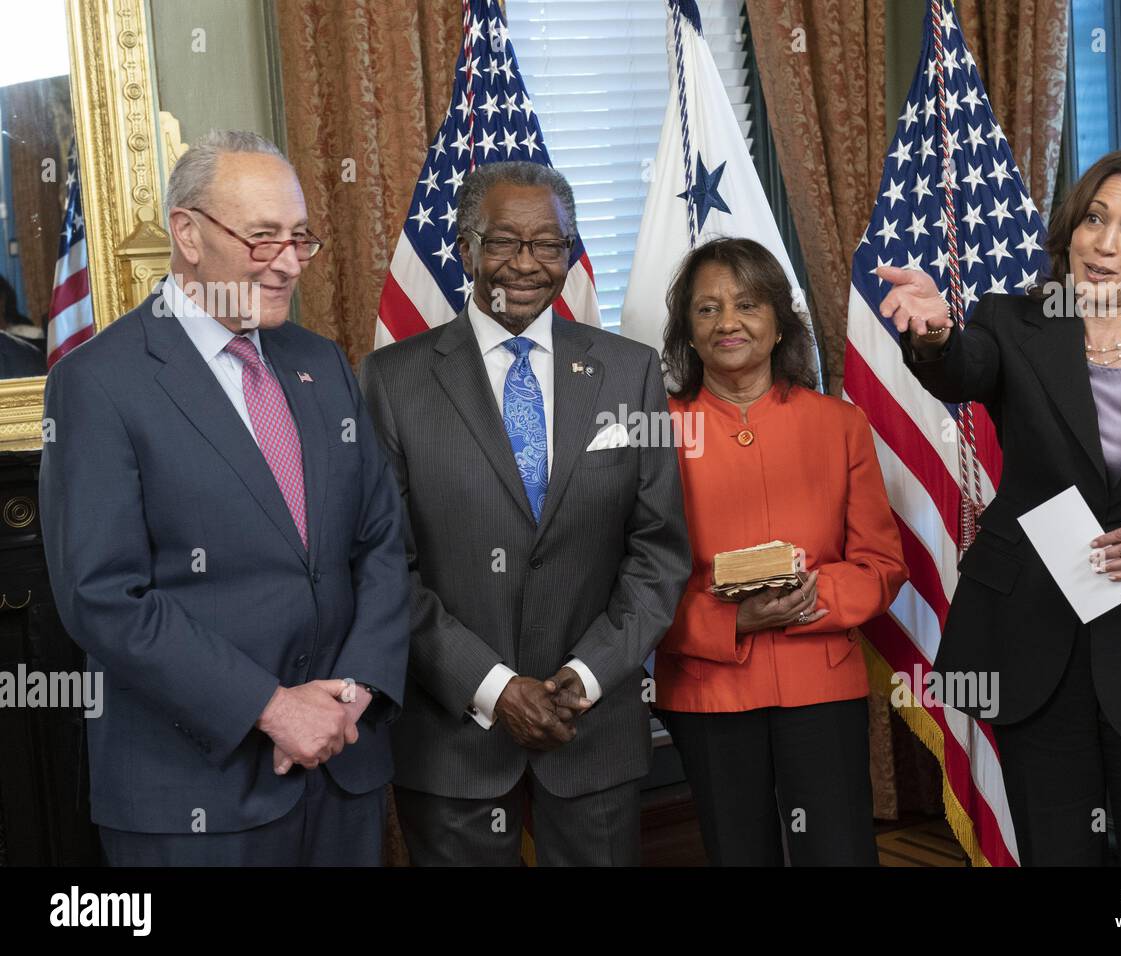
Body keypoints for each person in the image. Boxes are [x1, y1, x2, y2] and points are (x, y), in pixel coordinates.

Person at [882, 148, 1121, 865]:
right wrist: (934, 336)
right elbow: (960, 366)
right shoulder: (1012, 322)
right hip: (1038, 653)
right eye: (1095, 218)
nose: (1103, 242)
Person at [39, 130, 409, 866]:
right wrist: (272, 709)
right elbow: (103, 595)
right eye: (263, 236)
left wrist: (356, 692)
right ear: (188, 234)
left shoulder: (321, 363)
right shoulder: (99, 383)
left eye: (300, 238)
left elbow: (381, 544)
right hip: (193, 795)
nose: (288, 262)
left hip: (342, 774)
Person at [359, 160, 691, 866]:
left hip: (591, 728)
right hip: (454, 737)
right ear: (465, 246)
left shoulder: (628, 371)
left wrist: (592, 674)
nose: (528, 263)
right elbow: (386, 568)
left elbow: (658, 550)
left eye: (549, 245)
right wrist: (494, 686)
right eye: (505, 241)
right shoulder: (392, 382)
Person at [652, 237, 908, 866]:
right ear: (687, 330)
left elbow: (883, 564)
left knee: (839, 854)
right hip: (708, 687)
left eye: (747, 304)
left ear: (778, 322)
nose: (728, 322)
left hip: (820, 681)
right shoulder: (654, 432)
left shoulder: (839, 424)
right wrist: (731, 620)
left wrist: (811, 598)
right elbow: (637, 579)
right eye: (707, 309)